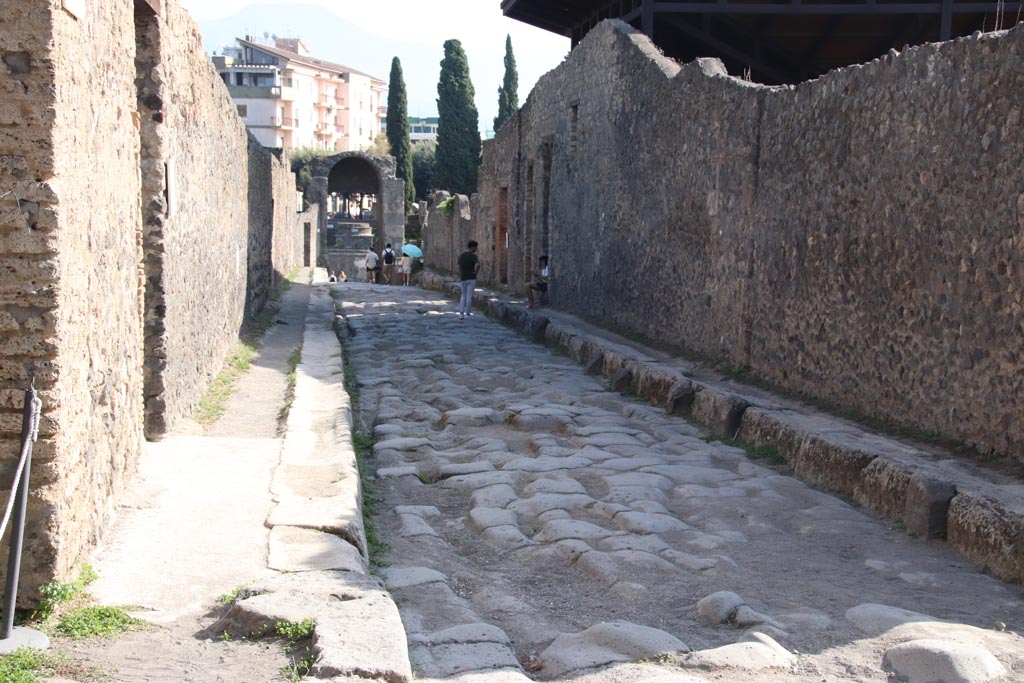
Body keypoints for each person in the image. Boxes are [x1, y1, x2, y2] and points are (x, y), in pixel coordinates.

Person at [457, 240, 479, 318]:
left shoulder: (461, 255)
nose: (476, 249)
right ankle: (468, 313)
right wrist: (475, 273)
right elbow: (478, 265)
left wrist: (461, 275)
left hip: (463, 278)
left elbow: (459, 266)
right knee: (469, 296)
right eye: (475, 247)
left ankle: (461, 312)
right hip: (471, 278)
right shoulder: (473, 256)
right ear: (472, 247)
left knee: (463, 295)